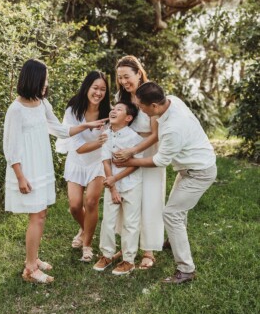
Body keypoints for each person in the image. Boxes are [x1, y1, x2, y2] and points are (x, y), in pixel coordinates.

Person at [3, 59, 107, 284]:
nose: (46, 83)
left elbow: (60, 130)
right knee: (37, 216)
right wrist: (20, 176)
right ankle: (30, 268)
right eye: (44, 79)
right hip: (26, 168)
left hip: (41, 164)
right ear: (33, 79)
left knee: (41, 214)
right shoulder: (16, 109)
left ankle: (34, 258)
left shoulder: (42, 104)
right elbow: (10, 147)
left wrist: (86, 126)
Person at [116, 81, 217, 284]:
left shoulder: (172, 128)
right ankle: (173, 241)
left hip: (199, 172)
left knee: (172, 214)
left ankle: (186, 269)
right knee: (177, 209)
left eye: (142, 107)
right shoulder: (173, 100)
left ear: (154, 106)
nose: (140, 110)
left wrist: (130, 160)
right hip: (190, 167)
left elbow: (160, 161)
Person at [114, 56, 166, 269]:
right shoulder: (121, 96)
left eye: (127, 76)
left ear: (138, 73)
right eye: (120, 78)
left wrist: (133, 152)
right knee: (127, 197)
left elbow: (155, 134)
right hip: (126, 152)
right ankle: (127, 245)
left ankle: (148, 250)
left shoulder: (150, 94)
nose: (124, 81)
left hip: (147, 151)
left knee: (149, 199)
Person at [56, 71, 111, 262]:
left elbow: (113, 138)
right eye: (95, 88)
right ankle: (85, 227)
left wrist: (106, 143)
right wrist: (100, 141)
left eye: (103, 89)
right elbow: (79, 148)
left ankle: (87, 244)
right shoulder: (73, 111)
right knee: (74, 206)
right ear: (87, 87)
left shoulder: (108, 112)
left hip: (98, 162)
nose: (98, 92)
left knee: (91, 202)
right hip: (77, 161)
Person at [93, 101, 143, 275]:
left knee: (131, 222)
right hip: (111, 185)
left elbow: (136, 164)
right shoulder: (106, 135)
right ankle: (106, 255)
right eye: (113, 108)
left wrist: (116, 178)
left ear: (128, 118)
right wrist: (112, 186)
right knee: (108, 220)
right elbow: (106, 161)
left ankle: (128, 260)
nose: (113, 110)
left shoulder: (135, 138)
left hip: (132, 185)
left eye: (119, 109)